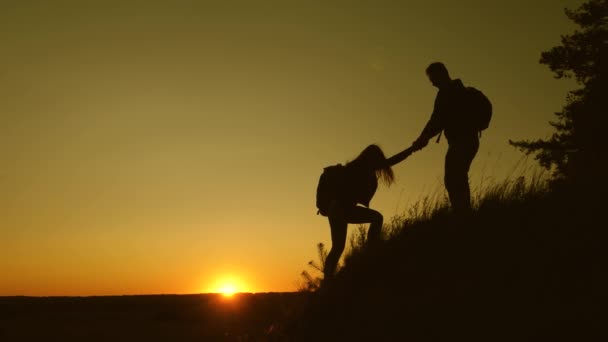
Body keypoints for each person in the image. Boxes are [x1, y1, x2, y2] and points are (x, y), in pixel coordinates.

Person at [318, 144, 414, 281]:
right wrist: (411, 149)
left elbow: (390, 161)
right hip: (338, 208)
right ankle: (328, 281)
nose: (380, 163)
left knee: (374, 220)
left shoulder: (361, 167)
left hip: (343, 209)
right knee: (338, 246)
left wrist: (411, 150)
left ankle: (370, 250)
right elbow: (388, 162)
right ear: (371, 158)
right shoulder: (357, 168)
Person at [412, 62, 480, 214]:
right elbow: (438, 120)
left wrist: (423, 138)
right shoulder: (459, 89)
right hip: (471, 141)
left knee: (453, 177)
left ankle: (461, 212)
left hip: (460, 142)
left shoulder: (447, 93)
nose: (431, 82)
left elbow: (437, 120)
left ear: (441, 74)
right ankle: (463, 211)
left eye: (432, 78)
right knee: (458, 175)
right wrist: (424, 137)